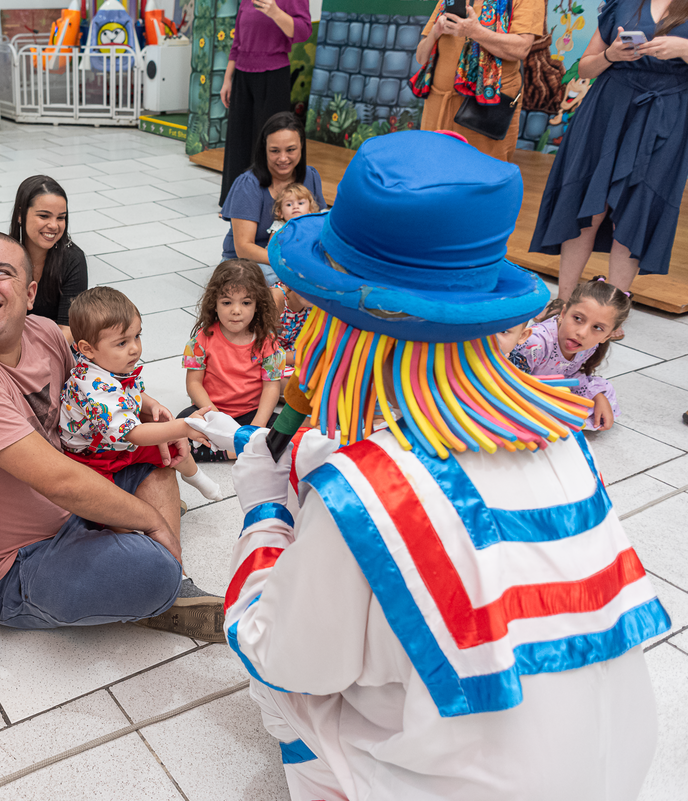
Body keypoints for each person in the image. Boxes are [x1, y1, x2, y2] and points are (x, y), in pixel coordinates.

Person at [190, 130, 667, 801]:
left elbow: (285, 658)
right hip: (615, 771)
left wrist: (265, 511)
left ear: (344, 322)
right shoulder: (562, 436)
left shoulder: (366, 489)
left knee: (275, 682)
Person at [0, 231, 226, 642]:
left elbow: (96, 383)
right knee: (153, 569)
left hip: (68, 508)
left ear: (30, 293)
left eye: (0, 273)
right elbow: (61, 481)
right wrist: (151, 521)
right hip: (15, 565)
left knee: (158, 459)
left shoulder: (42, 332)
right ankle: (159, 576)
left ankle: (150, 573)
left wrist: (147, 406)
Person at [530, 0, 688, 299]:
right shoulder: (624, 3)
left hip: (666, 118)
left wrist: (683, 50)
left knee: (637, 207)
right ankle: (563, 300)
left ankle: (613, 308)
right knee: (588, 200)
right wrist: (610, 55)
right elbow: (586, 67)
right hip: (608, 110)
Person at [59, 287, 224, 501]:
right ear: (87, 349)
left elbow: (130, 391)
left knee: (171, 447)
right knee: (106, 503)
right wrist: (183, 427)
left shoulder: (109, 363)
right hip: (91, 458)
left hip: (115, 443)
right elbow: (134, 433)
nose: (134, 348)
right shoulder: (93, 387)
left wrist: (151, 404)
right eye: (122, 342)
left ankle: (195, 476)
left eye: (137, 336)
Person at [180, 259, 286, 461]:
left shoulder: (267, 342)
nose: (236, 310)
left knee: (283, 431)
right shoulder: (201, 340)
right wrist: (217, 418)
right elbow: (193, 384)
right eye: (227, 302)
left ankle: (227, 450)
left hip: (251, 413)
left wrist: (257, 425)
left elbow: (271, 387)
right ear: (214, 304)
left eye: (246, 303)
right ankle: (240, 451)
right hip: (212, 411)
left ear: (257, 305)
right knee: (181, 426)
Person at [412, 0, 543, 160]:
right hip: (437, 108)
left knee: (480, 170)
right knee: (431, 167)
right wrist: (435, 32)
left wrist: (475, 32)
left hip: (482, 112)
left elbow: (521, 48)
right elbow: (421, 57)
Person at [219, 0, 313, 207]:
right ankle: (233, 202)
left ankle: (266, 202)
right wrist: (227, 79)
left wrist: (275, 12)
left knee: (270, 141)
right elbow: (238, 42)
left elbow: (303, 31)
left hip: (274, 74)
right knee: (238, 141)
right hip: (242, 74)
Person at [222, 112, 326, 287]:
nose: (283, 158)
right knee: (283, 281)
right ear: (264, 150)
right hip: (250, 262)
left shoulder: (311, 176)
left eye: (290, 150)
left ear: (302, 146)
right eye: (275, 151)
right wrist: (289, 264)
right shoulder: (248, 185)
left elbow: (319, 224)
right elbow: (243, 248)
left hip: (296, 258)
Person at [513, 277, 630, 431]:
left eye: (597, 328)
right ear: (563, 313)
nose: (582, 333)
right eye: (578, 319)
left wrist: (597, 395)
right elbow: (510, 383)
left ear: (607, 336)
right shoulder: (535, 343)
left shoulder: (589, 346)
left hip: (552, 390)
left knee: (605, 391)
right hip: (522, 392)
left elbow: (570, 374)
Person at [9, 175, 89, 345]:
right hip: (7, 344)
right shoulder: (3, 254)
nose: (54, 225)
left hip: (53, 348)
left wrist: (31, 355)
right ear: (20, 215)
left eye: (60, 217)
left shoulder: (73, 259)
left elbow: (68, 329)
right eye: (44, 216)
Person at [268, 182, 318, 359]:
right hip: (270, 362)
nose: (313, 292)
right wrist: (301, 358)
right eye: (289, 204)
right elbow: (264, 355)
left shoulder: (316, 305)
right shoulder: (276, 299)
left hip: (289, 358)